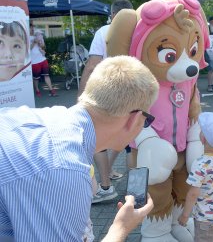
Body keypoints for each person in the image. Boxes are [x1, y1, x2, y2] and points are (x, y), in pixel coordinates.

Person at [0, 55, 157, 241]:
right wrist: (121, 228)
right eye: (147, 120)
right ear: (134, 119)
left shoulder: (50, 118)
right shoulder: (64, 168)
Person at [78, 0, 134, 204]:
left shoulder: (104, 32)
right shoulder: (140, 30)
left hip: (108, 92)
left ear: (112, 15)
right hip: (136, 92)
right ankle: (135, 190)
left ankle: (104, 187)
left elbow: (92, 65)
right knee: (131, 141)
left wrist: (81, 94)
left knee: (98, 138)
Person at [178, 112, 213, 242]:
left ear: (203, 139)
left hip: (205, 219)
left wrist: (185, 215)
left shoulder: (200, 164)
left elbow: (193, 194)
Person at [29, 22, 57, 97]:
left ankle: (51, 90)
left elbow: (44, 47)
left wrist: (40, 44)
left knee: (46, 75)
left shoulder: (39, 35)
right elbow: (27, 50)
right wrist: (34, 42)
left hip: (42, 59)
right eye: (31, 27)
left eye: (32, 27)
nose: (32, 29)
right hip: (34, 62)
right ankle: (37, 90)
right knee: (36, 78)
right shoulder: (26, 37)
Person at [205, 16, 213, 92]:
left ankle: (212, 84)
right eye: (212, 21)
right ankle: (210, 85)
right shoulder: (207, 28)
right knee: (210, 69)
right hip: (208, 50)